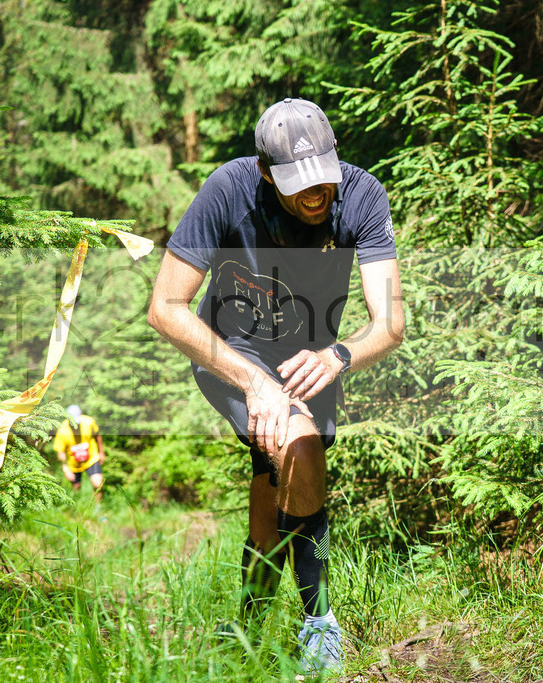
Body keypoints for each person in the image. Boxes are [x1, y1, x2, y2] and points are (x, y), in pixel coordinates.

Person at [148, 98, 404, 674]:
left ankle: (245, 632)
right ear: (266, 172)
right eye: (297, 183)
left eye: (323, 178)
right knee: (300, 445)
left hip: (313, 358)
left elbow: (390, 323)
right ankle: (320, 626)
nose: (317, 194)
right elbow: (165, 307)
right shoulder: (228, 190)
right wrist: (254, 382)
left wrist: (340, 355)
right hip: (230, 353)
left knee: (276, 488)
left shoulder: (363, 196)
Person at [53, 404, 106, 503]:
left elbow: (97, 436)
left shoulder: (89, 422)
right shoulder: (62, 430)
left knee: (98, 484)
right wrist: (65, 469)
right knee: (76, 488)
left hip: (91, 459)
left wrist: (101, 452)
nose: (75, 426)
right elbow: (60, 452)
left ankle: (98, 509)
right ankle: (77, 509)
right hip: (74, 463)